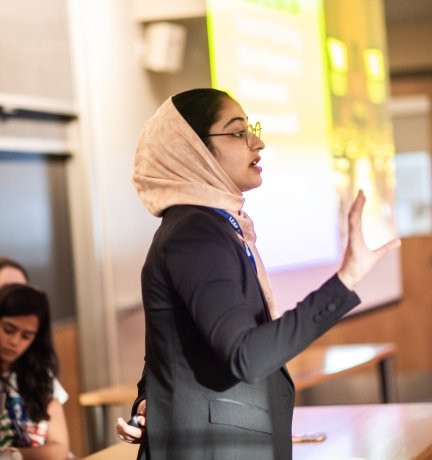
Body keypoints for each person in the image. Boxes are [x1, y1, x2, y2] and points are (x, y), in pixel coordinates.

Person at [115, 88, 401, 459]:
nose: (258, 143)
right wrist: (344, 281)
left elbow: (175, 344)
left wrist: (149, 403)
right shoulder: (197, 232)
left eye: (252, 129)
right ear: (194, 150)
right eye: (238, 133)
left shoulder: (211, 226)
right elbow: (245, 355)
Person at [0, 284, 70, 460]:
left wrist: (14, 455)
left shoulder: (40, 376)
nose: (15, 342)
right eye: (8, 329)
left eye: (26, 336)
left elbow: (59, 450)